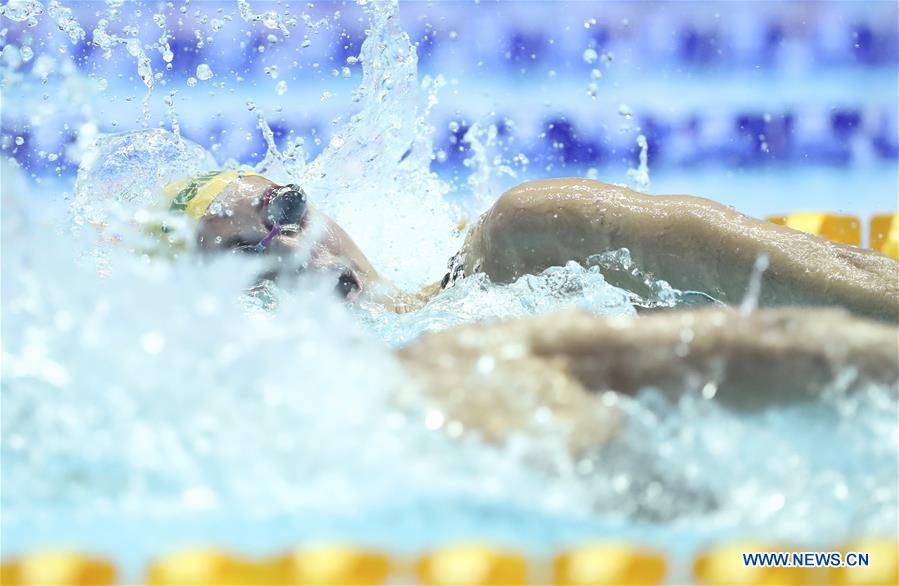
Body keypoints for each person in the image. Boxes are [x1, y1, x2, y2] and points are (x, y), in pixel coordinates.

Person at [167, 170, 898, 322]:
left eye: (283, 208)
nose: (291, 247)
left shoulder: (531, 237)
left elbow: (851, 277)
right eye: (243, 255)